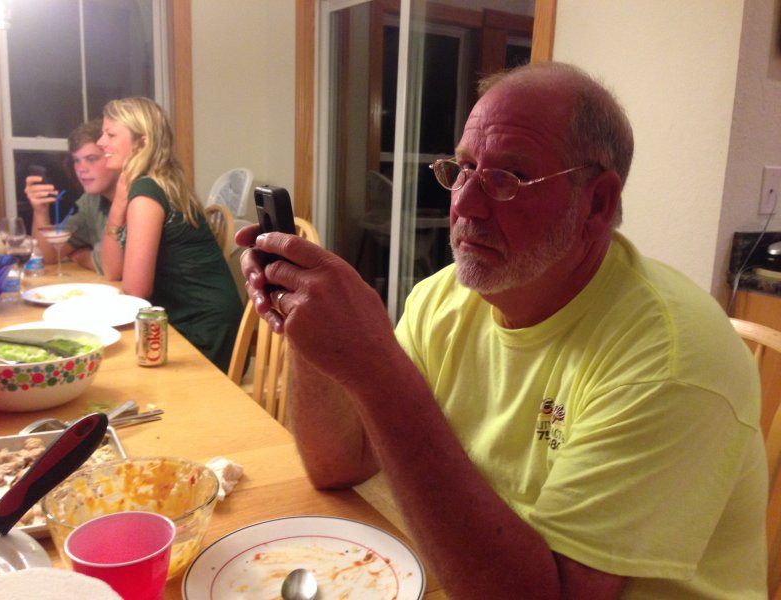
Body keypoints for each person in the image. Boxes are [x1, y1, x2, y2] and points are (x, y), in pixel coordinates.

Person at [237, 62, 768, 599]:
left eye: (507, 179)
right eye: (463, 169)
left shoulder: (669, 362)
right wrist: (309, 328)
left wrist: (378, 371)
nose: (465, 204)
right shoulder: (441, 300)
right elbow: (340, 465)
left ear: (597, 203)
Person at [98, 96, 242, 373]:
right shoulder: (150, 185)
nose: (101, 141)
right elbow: (113, 271)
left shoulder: (148, 191)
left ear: (142, 143)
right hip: (192, 319)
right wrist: (117, 207)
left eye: (110, 134)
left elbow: (136, 292)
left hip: (204, 330)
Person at [24, 119, 119, 272]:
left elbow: (110, 267)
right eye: (76, 160)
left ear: (113, 157)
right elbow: (46, 256)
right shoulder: (90, 201)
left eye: (91, 159)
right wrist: (40, 211)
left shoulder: (137, 198)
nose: (81, 169)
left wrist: (80, 255)